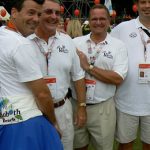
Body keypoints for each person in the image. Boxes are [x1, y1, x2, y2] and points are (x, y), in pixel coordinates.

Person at [0, 0, 63, 150]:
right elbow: (42, 94)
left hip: (6, 118)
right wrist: (53, 122)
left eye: (39, 14)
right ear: (14, 13)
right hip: (27, 123)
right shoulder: (21, 44)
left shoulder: (3, 35)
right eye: (31, 13)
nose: (36, 19)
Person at [28, 0, 87, 150]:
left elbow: (78, 76)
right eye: (48, 12)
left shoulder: (67, 41)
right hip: (33, 111)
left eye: (57, 13)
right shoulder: (24, 42)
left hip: (63, 109)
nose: (54, 16)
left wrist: (81, 107)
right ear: (38, 14)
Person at [72, 4, 128, 150]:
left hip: (103, 108)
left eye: (102, 18)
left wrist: (88, 67)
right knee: (78, 146)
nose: (98, 22)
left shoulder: (118, 45)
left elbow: (118, 78)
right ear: (88, 21)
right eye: (94, 19)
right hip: (76, 105)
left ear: (109, 21)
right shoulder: (75, 43)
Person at [111, 0, 150, 150]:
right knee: (125, 144)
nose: (147, 6)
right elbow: (103, 43)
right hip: (127, 100)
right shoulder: (122, 28)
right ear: (137, 5)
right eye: (143, 2)